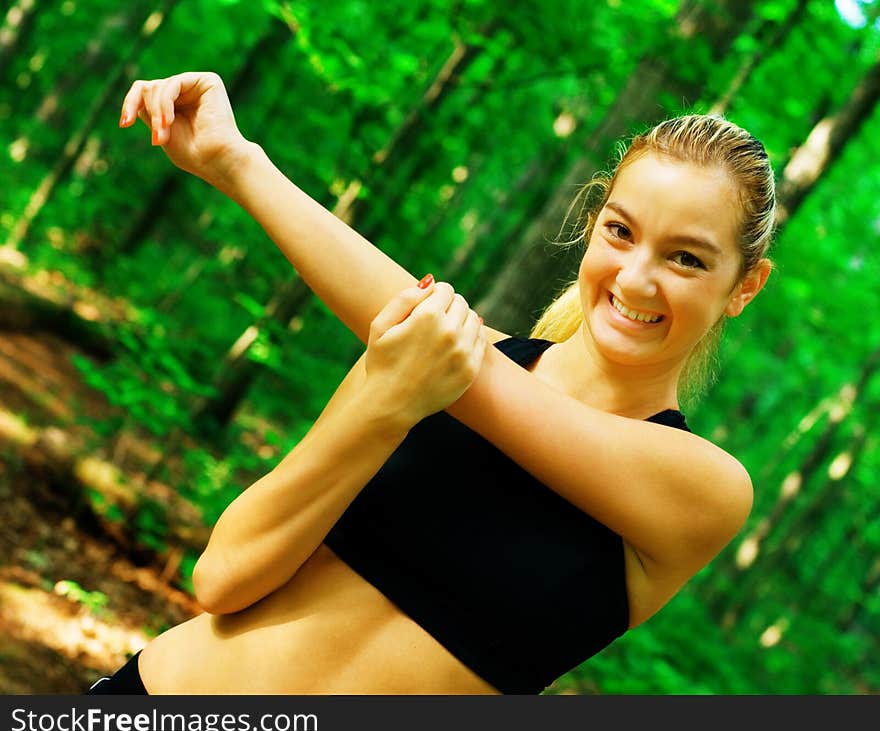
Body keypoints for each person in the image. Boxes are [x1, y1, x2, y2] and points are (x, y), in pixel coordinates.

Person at [87, 71, 773, 695]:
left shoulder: (703, 488)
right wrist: (234, 159)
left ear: (744, 286)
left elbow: (477, 380)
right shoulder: (421, 359)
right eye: (621, 232)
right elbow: (220, 577)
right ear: (593, 227)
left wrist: (247, 171)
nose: (635, 278)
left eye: (686, 257)